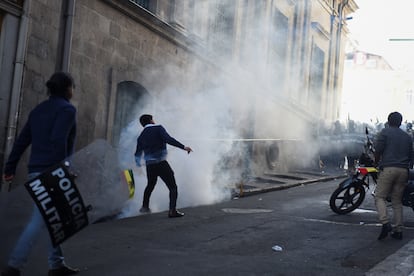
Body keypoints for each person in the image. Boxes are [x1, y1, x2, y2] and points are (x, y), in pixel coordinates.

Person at [1, 72, 79, 276]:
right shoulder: (67, 110)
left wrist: (10, 168)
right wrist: (63, 170)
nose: (73, 90)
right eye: (73, 87)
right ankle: (14, 265)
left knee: (52, 218)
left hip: (35, 171)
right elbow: (58, 141)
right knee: (40, 220)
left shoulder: (38, 110)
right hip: (52, 172)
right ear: (67, 88)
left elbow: (22, 141)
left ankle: (56, 264)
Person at [134, 114, 192, 218]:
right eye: (153, 119)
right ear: (151, 121)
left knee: (150, 185)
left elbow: (137, 153)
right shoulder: (158, 128)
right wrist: (183, 147)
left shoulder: (141, 136)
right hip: (161, 162)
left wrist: (138, 164)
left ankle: (144, 207)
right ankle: (172, 211)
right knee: (173, 187)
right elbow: (168, 139)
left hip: (150, 165)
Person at [374, 111, 413, 240]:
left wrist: (376, 163)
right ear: (400, 122)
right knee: (397, 201)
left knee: (379, 196)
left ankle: (385, 223)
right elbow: (411, 155)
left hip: (389, 168)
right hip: (403, 171)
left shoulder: (385, 132)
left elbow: (378, 150)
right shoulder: (407, 137)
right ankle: (398, 230)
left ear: (388, 121)